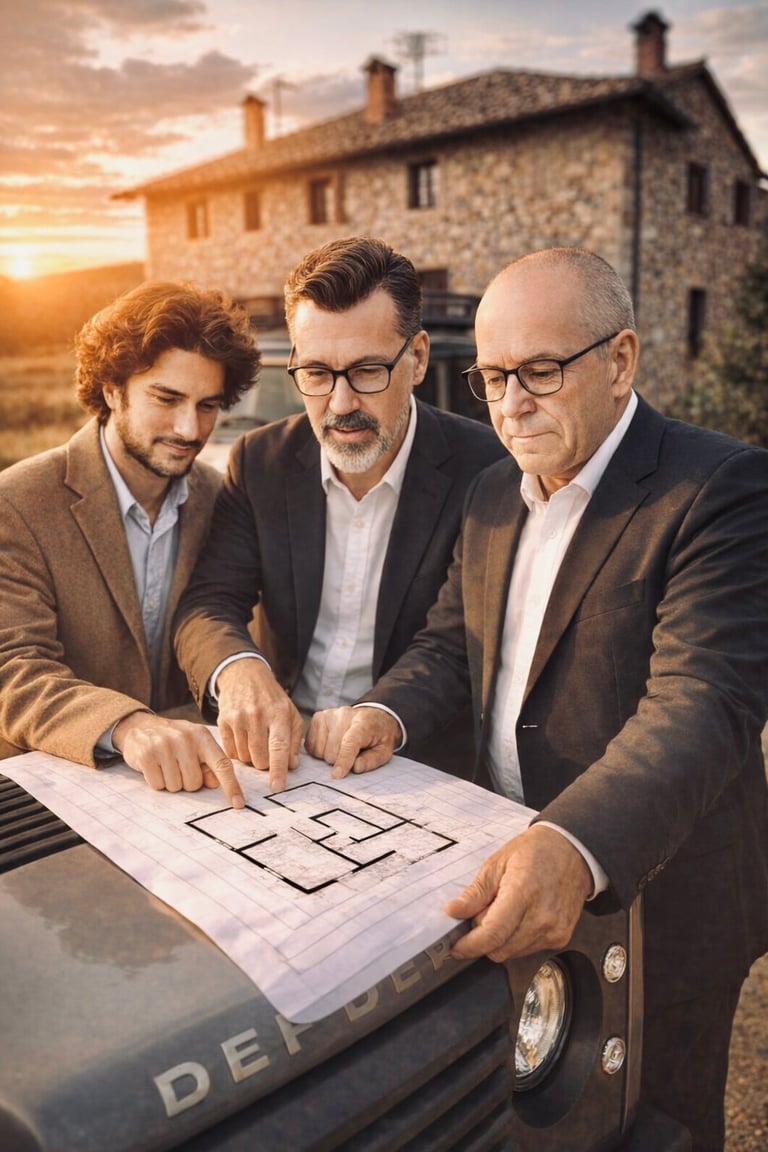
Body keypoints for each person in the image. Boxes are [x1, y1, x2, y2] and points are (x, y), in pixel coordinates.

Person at [304, 247, 768, 1152]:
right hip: (513, 878)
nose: (511, 404)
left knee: (655, 1130)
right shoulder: (490, 492)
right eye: (490, 378)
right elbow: (452, 643)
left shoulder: (724, 488)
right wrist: (384, 714)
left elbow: (702, 701)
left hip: (664, 895)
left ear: (622, 359)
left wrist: (572, 841)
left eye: (540, 373)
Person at [173, 236, 507, 791]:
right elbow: (209, 601)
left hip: (411, 762)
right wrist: (239, 672)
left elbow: (456, 642)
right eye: (317, 374)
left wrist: (384, 713)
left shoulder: (487, 471)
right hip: (279, 757)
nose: (341, 403)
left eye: (368, 370)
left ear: (417, 358)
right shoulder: (259, 462)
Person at [0, 280, 261, 808]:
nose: (190, 428)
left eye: (208, 405)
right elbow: (14, 670)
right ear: (112, 389)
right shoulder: (17, 503)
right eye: (166, 399)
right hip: (49, 801)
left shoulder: (218, 497)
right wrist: (128, 726)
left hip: (185, 797)